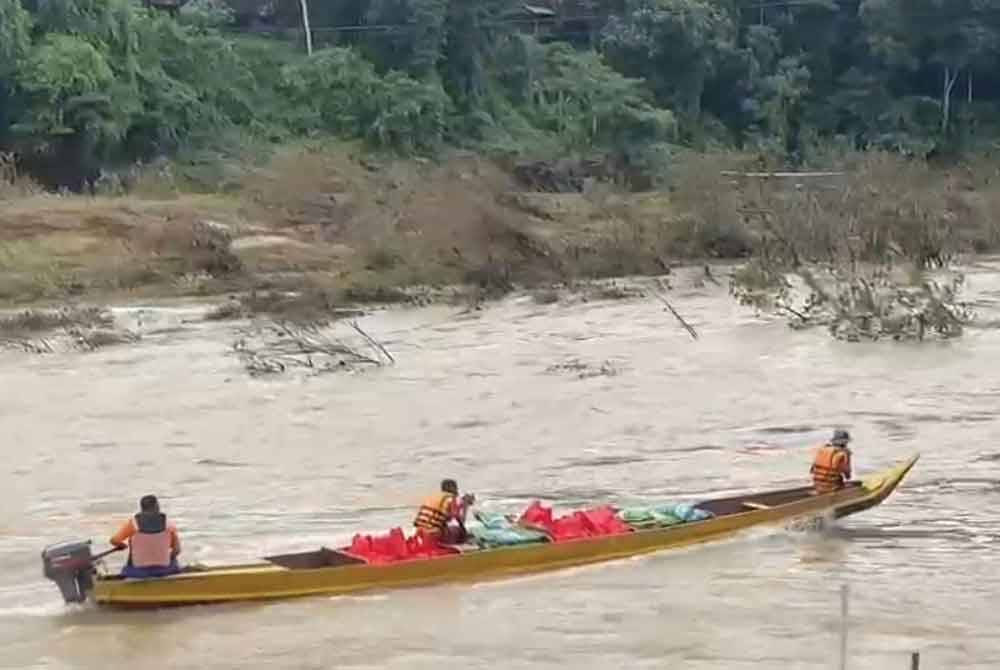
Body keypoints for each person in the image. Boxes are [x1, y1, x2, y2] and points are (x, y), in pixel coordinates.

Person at [110, 494, 182, 578]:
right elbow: (177, 550)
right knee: (174, 562)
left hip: (138, 572)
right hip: (164, 570)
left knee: (126, 569)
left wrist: (122, 545)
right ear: (157, 506)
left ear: (142, 508)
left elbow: (114, 540)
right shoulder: (169, 525)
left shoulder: (132, 524)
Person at [413, 479, 475, 545]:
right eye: (456, 488)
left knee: (448, 527)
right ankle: (454, 547)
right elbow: (459, 521)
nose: (457, 490)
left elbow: (442, 516)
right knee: (458, 531)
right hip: (433, 534)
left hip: (420, 533)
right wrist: (466, 505)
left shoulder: (434, 496)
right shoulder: (451, 499)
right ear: (453, 488)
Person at [811, 429, 853, 494]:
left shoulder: (822, 450)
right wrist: (848, 458)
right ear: (845, 443)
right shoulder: (842, 454)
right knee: (850, 486)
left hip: (817, 486)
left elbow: (812, 470)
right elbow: (848, 477)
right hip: (832, 488)